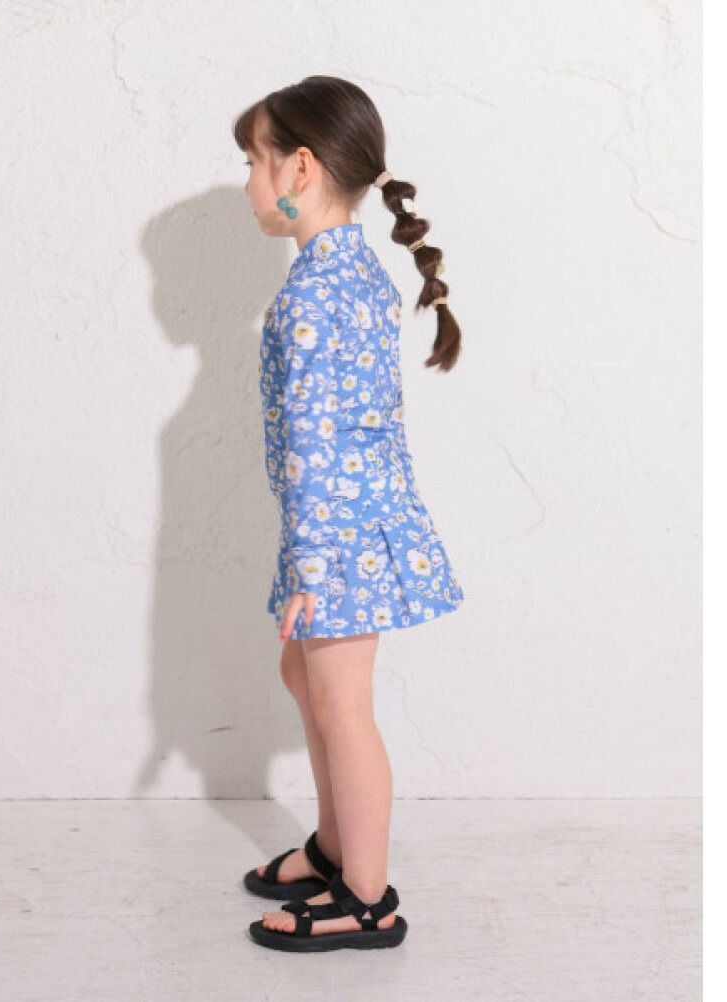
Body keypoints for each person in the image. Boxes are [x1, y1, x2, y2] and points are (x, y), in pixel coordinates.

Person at [232, 75, 466, 952]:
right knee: (306, 680)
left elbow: (318, 446)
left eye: (253, 162)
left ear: (299, 167)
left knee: (341, 707)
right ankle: (334, 848)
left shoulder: (313, 297)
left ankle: (367, 896)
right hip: (346, 522)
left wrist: (312, 567)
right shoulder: (348, 272)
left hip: (340, 534)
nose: (247, 183)